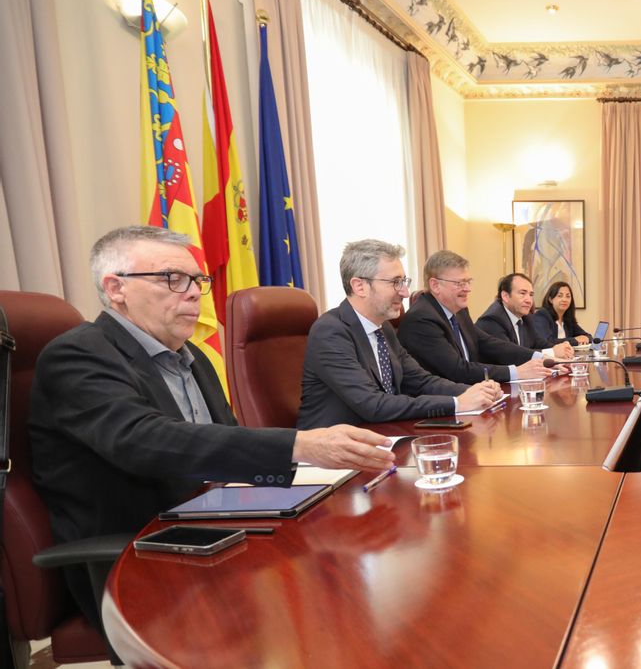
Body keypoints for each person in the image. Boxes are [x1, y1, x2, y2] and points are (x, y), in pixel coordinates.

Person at [29, 226, 395, 629]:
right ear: (116, 288)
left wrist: (315, 480)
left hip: (217, 528)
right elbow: (145, 440)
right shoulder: (78, 355)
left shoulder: (194, 357)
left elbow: (221, 448)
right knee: (317, 611)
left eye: (198, 280)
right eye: (173, 278)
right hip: (139, 554)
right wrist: (299, 445)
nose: (193, 293)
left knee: (349, 572)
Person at [298, 240, 504, 429]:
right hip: (330, 457)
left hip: (382, 437)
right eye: (395, 282)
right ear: (359, 286)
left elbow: (421, 381)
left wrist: (476, 390)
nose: (405, 292)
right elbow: (373, 404)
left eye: (404, 281)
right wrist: (457, 403)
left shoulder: (384, 328)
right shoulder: (330, 332)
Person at [398, 250, 553, 383]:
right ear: (435, 285)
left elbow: (488, 343)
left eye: (468, 282)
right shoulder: (421, 319)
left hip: (474, 394)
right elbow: (457, 370)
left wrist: (540, 358)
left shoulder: (459, 311)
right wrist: (516, 372)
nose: (467, 289)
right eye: (459, 283)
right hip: (442, 404)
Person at [477, 272, 573, 359]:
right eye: (522, 293)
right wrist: (552, 352)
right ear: (505, 296)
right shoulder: (492, 319)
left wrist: (561, 348)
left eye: (531, 295)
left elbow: (539, 343)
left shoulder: (526, 317)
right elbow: (510, 355)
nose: (528, 300)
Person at [531, 281, 591, 346]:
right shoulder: (542, 315)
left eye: (568, 296)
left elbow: (588, 336)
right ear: (550, 299)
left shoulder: (568, 319)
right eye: (560, 296)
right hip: (548, 355)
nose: (564, 299)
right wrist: (575, 340)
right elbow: (547, 341)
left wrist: (586, 338)